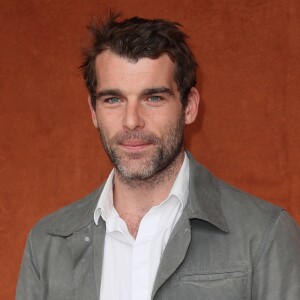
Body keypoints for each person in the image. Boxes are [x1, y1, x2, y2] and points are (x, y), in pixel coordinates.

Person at [16, 13, 300, 300]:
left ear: (189, 106)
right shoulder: (47, 245)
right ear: (93, 111)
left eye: (153, 98)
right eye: (113, 99)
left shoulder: (264, 235)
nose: (131, 121)